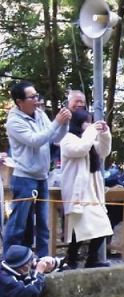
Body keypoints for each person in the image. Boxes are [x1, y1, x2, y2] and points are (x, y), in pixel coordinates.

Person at [4, 81, 71, 256]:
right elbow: (35, 140)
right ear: (20, 101)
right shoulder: (13, 122)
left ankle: (43, 261)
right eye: (32, 97)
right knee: (19, 224)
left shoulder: (40, 114)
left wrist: (64, 124)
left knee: (43, 224)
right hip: (24, 177)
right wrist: (57, 122)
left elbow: (55, 138)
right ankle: (9, 262)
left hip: (42, 177)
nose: (37, 100)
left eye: (37, 95)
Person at [59, 111, 113, 268]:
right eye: (86, 122)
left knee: (102, 226)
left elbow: (104, 151)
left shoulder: (88, 140)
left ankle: (90, 259)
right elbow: (80, 149)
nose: (89, 125)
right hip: (77, 191)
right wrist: (91, 132)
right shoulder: (68, 140)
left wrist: (104, 134)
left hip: (92, 191)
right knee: (80, 228)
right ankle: (72, 259)